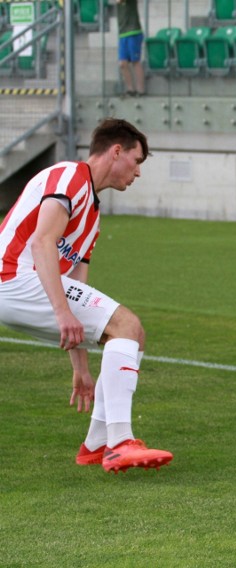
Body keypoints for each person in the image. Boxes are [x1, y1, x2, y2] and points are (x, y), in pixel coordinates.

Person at [0, 118, 172, 473]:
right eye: (137, 162)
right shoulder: (70, 176)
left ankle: (95, 444)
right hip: (12, 276)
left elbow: (78, 290)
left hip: (20, 285)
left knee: (132, 334)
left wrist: (80, 367)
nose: (137, 173)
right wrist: (63, 314)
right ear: (116, 151)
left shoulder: (92, 212)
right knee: (126, 323)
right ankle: (120, 442)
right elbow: (42, 241)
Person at [116, 0, 145, 97]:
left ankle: (140, 90)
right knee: (122, 63)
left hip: (133, 31)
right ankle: (130, 89)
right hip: (123, 33)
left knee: (135, 61)